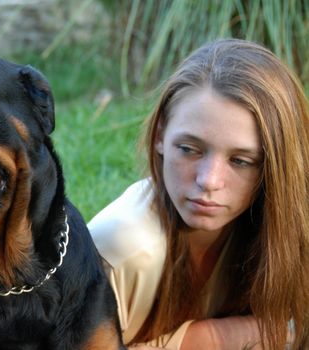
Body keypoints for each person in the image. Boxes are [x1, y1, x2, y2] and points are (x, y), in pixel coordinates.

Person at [88, 38, 309, 349]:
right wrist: (218, 337)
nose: (208, 180)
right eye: (190, 149)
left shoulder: (288, 227)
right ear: (161, 135)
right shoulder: (124, 246)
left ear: (276, 165)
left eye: (241, 161)